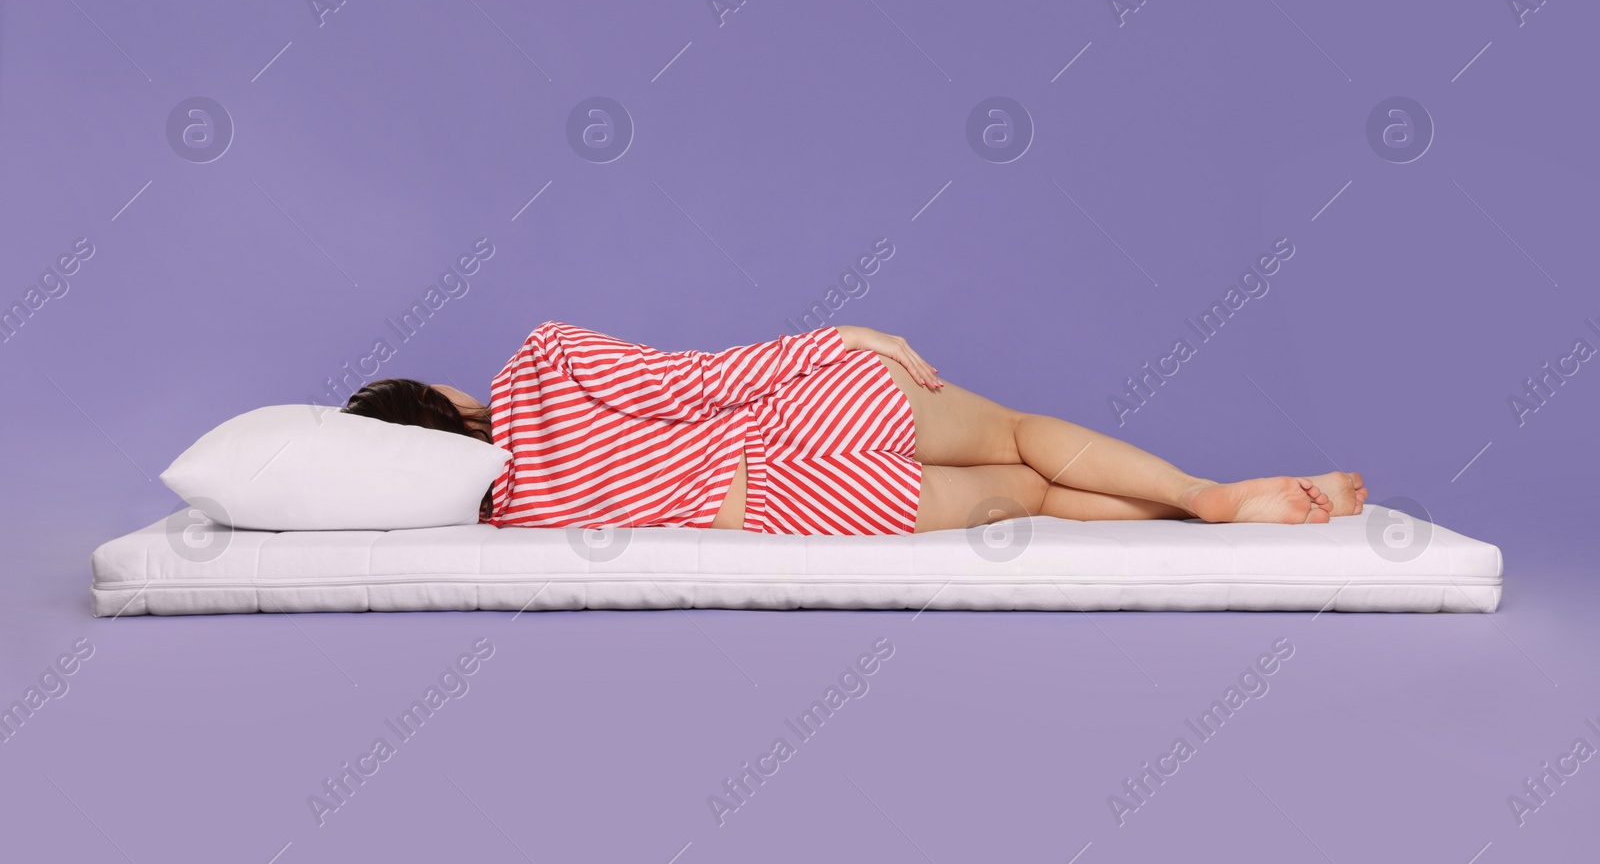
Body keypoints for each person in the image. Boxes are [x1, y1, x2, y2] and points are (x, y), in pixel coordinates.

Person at [341, 321, 1365, 535]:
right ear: (441, 398)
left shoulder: (509, 514)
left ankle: (1205, 511)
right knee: (1014, 429)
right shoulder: (538, 358)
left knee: (1039, 496)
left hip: (794, 500)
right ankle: (1205, 494)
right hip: (802, 405)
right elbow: (698, 377)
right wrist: (839, 334)